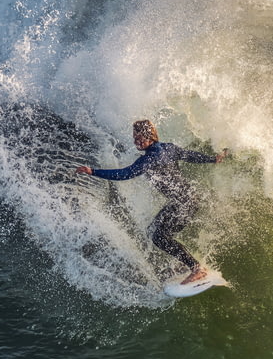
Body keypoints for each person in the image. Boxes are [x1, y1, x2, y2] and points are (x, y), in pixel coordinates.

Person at [75, 120, 228, 284]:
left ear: (149, 136)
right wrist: (213, 159)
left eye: (139, 138)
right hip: (186, 199)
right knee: (154, 231)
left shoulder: (148, 160)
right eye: (134, 138)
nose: (136, 142)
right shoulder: (168, 148)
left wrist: (93, 171)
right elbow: (190, 155)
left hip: (184, 202)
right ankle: (186, 263)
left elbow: (123, 174)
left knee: (160, 237)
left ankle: (197, 268)